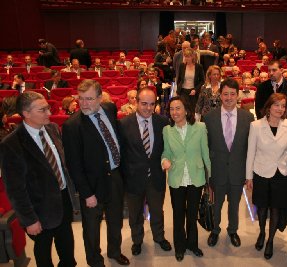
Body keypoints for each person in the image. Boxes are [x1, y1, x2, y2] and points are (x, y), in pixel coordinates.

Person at [0, 91, 78, 267]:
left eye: (48, 108)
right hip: (38, 209)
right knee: (43, 252)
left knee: (67, 246)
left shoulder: (52, 129)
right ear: (26, 113)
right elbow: (15, 189)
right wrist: (29, 220)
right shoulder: (11, 144)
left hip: (63, 199)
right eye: (42, 110)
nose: (49, 114)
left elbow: (62, 166)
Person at [62, 79, 129, 266]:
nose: (84, 104)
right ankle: (94, 259)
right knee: (91, 228)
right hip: (91, 185)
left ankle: (114, 251)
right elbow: (74, 165)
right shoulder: (71, 126)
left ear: (100, 98)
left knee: (115, 220)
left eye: (89, 99)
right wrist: (86, 193)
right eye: (81, 98)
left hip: (115, 176)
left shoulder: (109, 108)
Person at [119, 88, 172, 257]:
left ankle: (159, 237)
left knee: (157, 211)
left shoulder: (163, 122)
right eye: (144, 104)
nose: (148, 108)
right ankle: (137, 240)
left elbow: (167, 149)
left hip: (156, 176)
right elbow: (121, 153)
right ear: (135, 102)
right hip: (133, 178)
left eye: (152, 104)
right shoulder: (124, 124)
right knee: (135, 213)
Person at [204, 78, 254, 248]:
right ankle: (215, 230)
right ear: (220, 95)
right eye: (225, 94)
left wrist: (249, 175)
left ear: (238, 95)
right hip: (217, 172)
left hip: (237, 172)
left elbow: (250, 149)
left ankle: (233, 230)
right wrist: (207, 174)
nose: (229, 97)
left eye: (232, 94)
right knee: (216, 205)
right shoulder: (209, 118)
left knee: (234, 206)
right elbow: (206, 148)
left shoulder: (248, 117)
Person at [161, 96, 211, 262]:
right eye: (172, 109)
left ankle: (193, 244)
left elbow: (205, 154)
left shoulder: (200, 127)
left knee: (192, 214)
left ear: (186, 110)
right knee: (178, 215)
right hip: (176, 177)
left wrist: (209, 179)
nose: (174, 112)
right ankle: (180, 247)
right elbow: (165, 152)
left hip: (196, 177)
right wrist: (164, 160)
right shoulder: (167, 130)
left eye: (178, 108)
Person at [246, 93, 287, 259]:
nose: (280, 109)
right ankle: (261, 232)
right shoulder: (256, 126)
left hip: (282, 172)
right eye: (276, 105)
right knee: (262, 206)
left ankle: (270, 240)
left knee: (276, 207)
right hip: (261, 171)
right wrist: (249, 177)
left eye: (283, 106)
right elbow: (250, 152)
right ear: (268, 107)